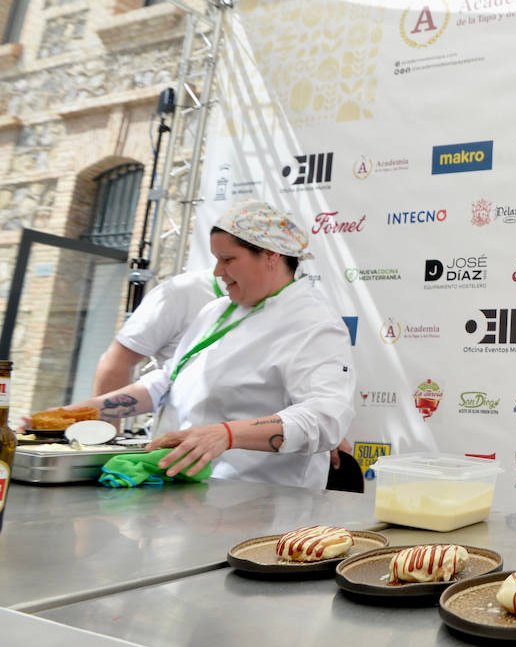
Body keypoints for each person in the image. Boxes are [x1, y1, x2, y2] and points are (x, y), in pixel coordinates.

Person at [45, 201, 355, 489]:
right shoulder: (219, 310)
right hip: (186, 494)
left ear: (272, 255)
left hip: (262, 505)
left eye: (228, 259)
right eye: (217, 260)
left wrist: (227, 434)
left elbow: (324, 418)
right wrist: (78, 412)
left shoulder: (314, 324)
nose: (219, 272)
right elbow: (170, 380)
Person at [91, 268, 221, 394]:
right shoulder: (182, 291)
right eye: (227, 258)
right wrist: (105, 415)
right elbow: (118, 360)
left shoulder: (238, 308)